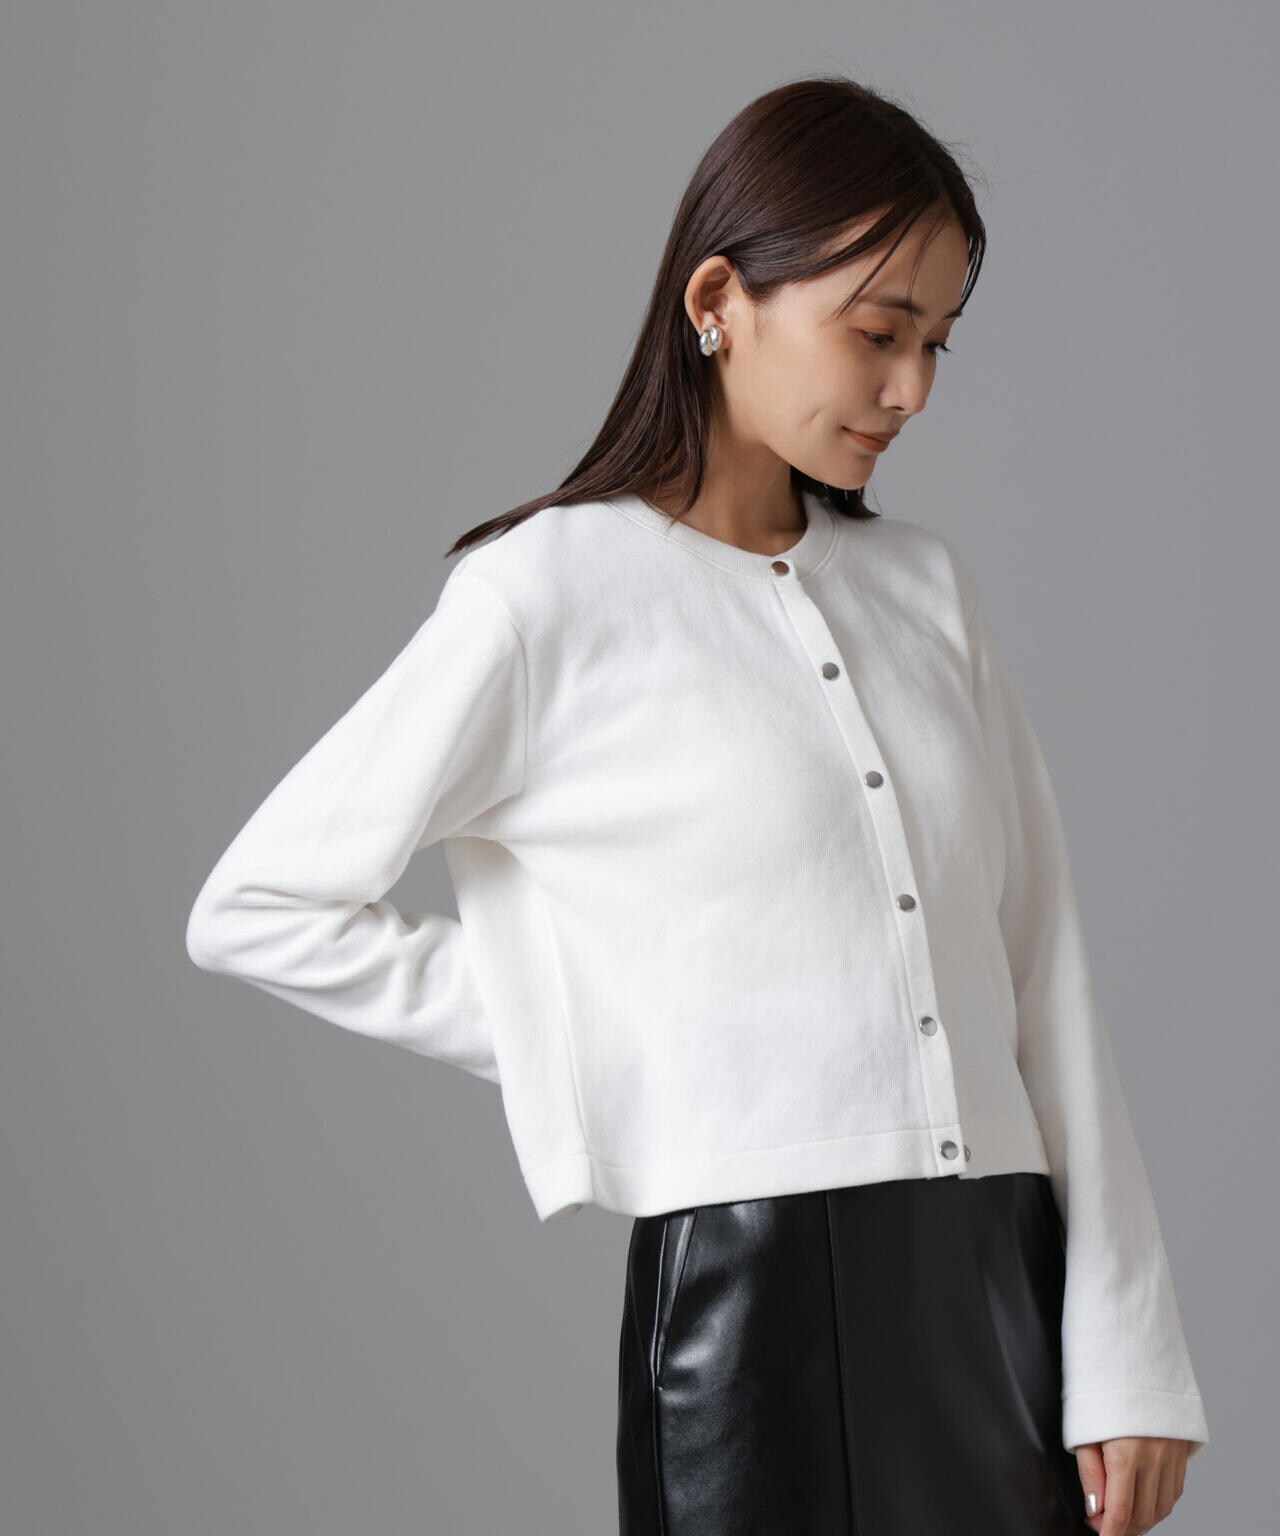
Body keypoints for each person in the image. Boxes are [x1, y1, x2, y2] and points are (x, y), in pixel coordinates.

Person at [185, 75, 1209, 1535]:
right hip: (754, 1313)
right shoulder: (551, 592)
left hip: (1001, 1286)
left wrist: (1130, 1353)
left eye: (935, 342)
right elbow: (258, 907)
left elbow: (1043, 973)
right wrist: (591, 1033)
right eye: (878, 332)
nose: (913, 388)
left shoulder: (927, 591)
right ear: (720, 299)